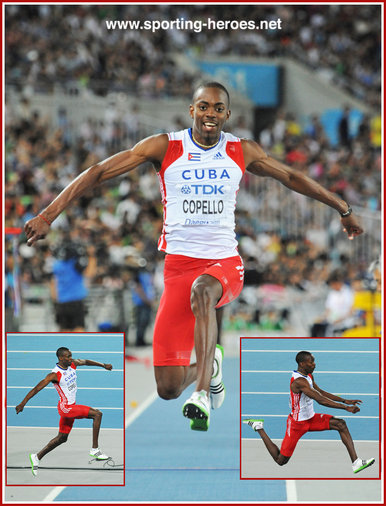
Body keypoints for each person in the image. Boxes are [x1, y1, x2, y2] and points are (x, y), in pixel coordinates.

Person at [24, 82, 363, 432]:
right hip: (177, 269)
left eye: (218, 108)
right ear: (192, 110)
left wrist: (342, 207)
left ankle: (201, 393)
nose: (210, 114)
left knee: (203, 291)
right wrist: (48, 215)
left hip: (224, 265)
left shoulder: (240, 150)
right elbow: (97, 172)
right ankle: (209, 368)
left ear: (227, 114)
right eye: (203, 107)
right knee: (168, 388)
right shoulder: (164, 146)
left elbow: (291, 176)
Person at [243, 351, 375, 474]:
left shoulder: (309, 375)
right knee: (280, 460)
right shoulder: (299, 382)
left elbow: (321, 392)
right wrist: (345, 408)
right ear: (302, 364)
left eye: (314, 361)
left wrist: (345, 401)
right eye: (311, 362)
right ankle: (259, 427)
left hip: (311, 419)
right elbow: (320, 400)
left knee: (341, 424)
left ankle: (356, 462)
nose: (314, 364)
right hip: (297, 424)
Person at [15, 347, 113, 476]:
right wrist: (23, 403)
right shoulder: (54, 374)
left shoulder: (72, 364)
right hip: (65, 408)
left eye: (71, 355)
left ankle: (37, 457)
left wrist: (103, 365)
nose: (70, 358)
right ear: (60, 358)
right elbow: (37, 388)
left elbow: (86, 361)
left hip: (71, 407)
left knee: (62, 438)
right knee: (97, 414)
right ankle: (95, 449)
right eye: (67, 356)